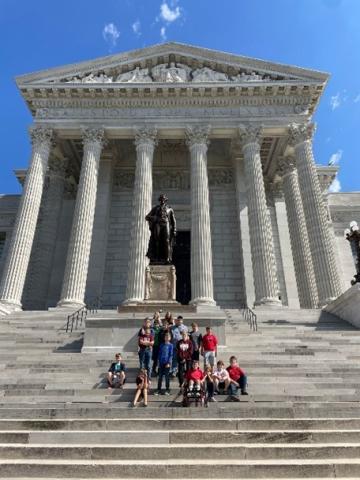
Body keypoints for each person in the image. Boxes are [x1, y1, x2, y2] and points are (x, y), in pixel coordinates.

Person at [145, 194, 176, 264]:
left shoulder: (170, 209)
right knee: (157, 241)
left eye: (163, 199)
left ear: (165, 200)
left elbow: (173, 221)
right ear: (159, 200)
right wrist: (155, 218)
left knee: (167, 241)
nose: (162, 200)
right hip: (158, 224)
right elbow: (147, 217)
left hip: (166, 224)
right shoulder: (156, 208)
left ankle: (167, 258)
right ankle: (157, 258)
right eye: (161, 199)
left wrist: (174, 230)